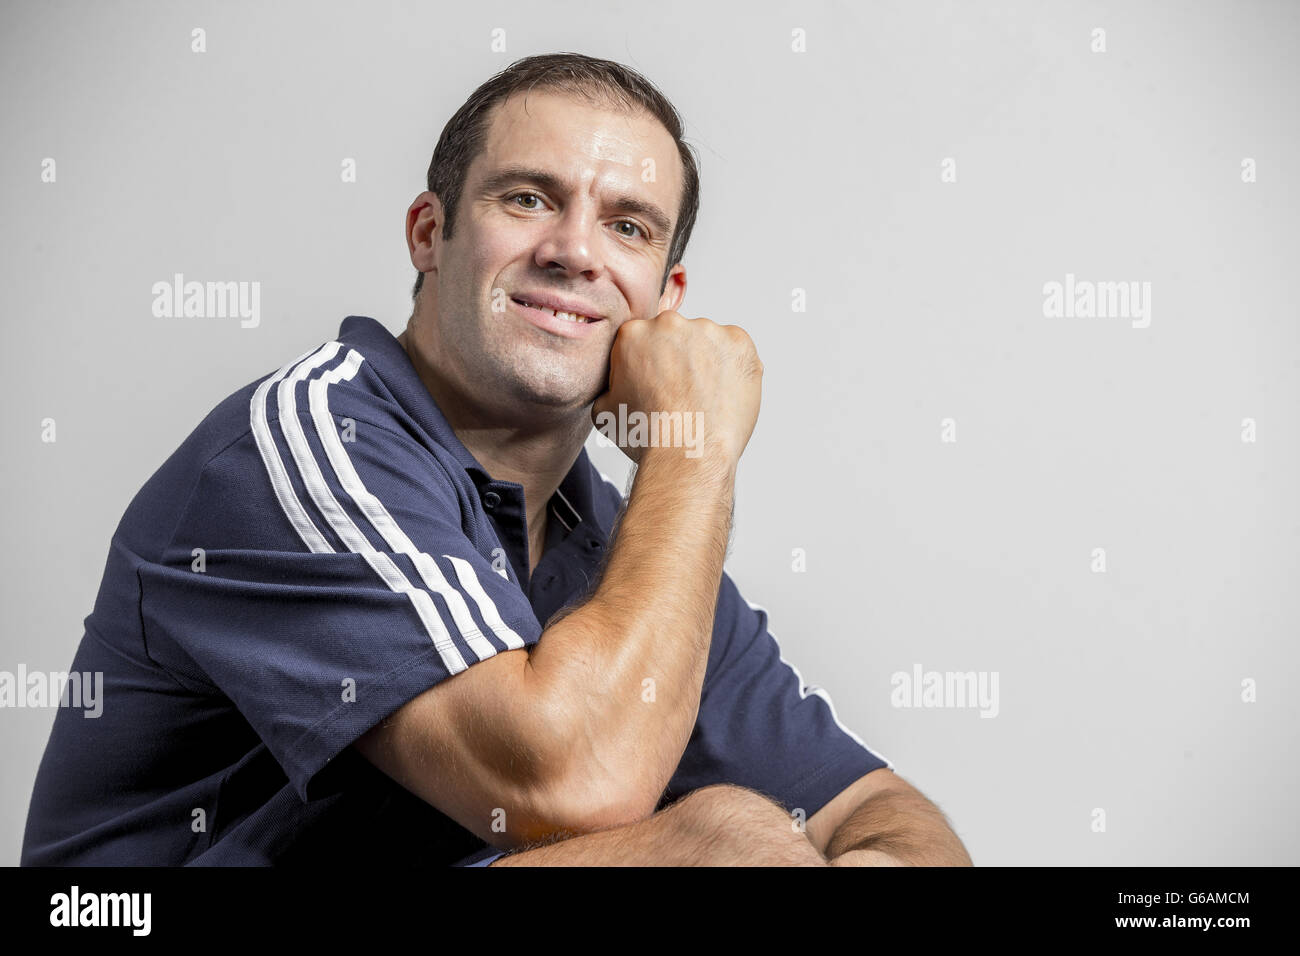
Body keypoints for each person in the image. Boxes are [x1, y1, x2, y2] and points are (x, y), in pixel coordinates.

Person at [21, 52, 971, 867]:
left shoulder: (619, 546)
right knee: (723, 843)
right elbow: (571, 777)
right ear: (430, 233)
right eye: (528, 199)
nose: (574, 252)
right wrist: (695, 449)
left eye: (628, 226)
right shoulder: (310, 441)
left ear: (664, 298)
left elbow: (882, 812)